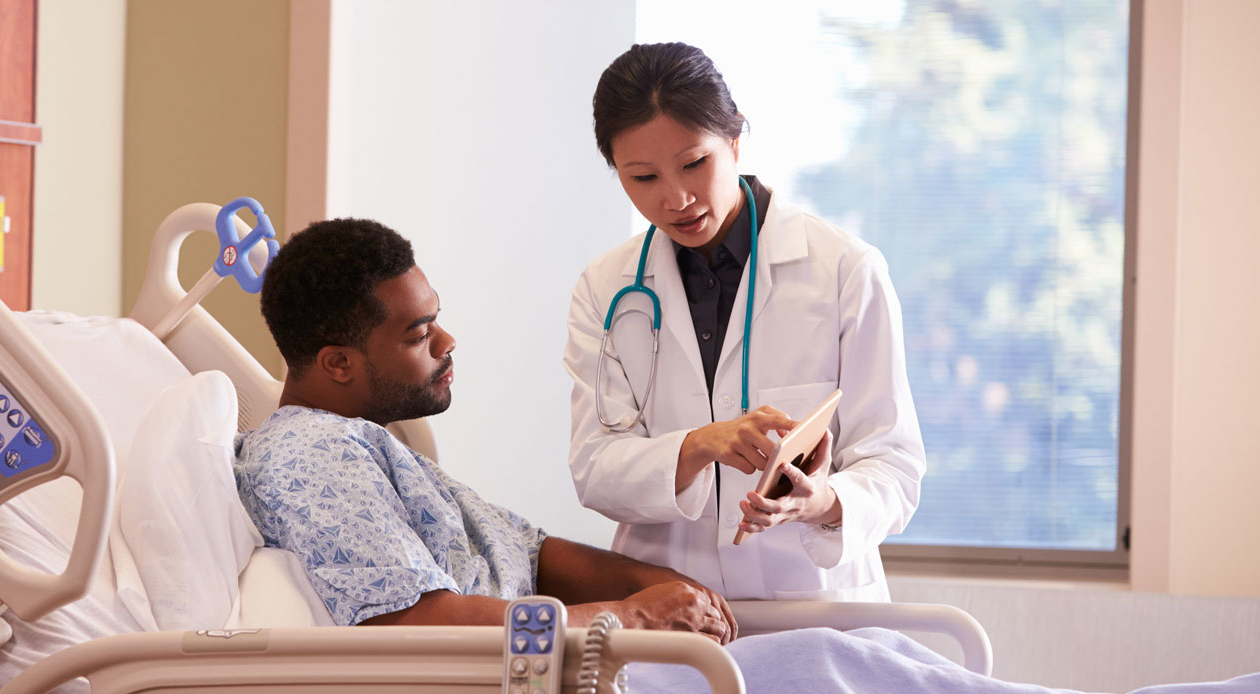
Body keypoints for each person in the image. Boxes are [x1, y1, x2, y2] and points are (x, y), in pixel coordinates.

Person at [234, 217, 736, 642]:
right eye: (419, 334)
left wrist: (663, 585)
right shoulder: (311, 455)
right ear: (338, 363)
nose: (447, 342)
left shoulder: (367, 444)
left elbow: (529, 554)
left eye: (436, 319)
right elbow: (417, 623)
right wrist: (633, 617)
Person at [564, 42, 925, 602]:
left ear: (734, 138)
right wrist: (698, 446)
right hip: (671, 606)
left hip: (813, 608)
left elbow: (893, 464)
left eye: (694, 164)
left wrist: (822, 503)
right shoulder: (605, 288)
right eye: (644, 177)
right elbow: (595, 468)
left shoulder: (844, 270)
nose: (676, 198)